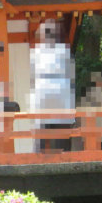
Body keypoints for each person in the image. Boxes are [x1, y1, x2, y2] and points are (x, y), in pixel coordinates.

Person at [30, 20, 75, 153]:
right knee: (51, 145)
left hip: (52, 104)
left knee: (47, 145)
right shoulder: (65, 55)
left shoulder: (40, 55)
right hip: (55, 105)